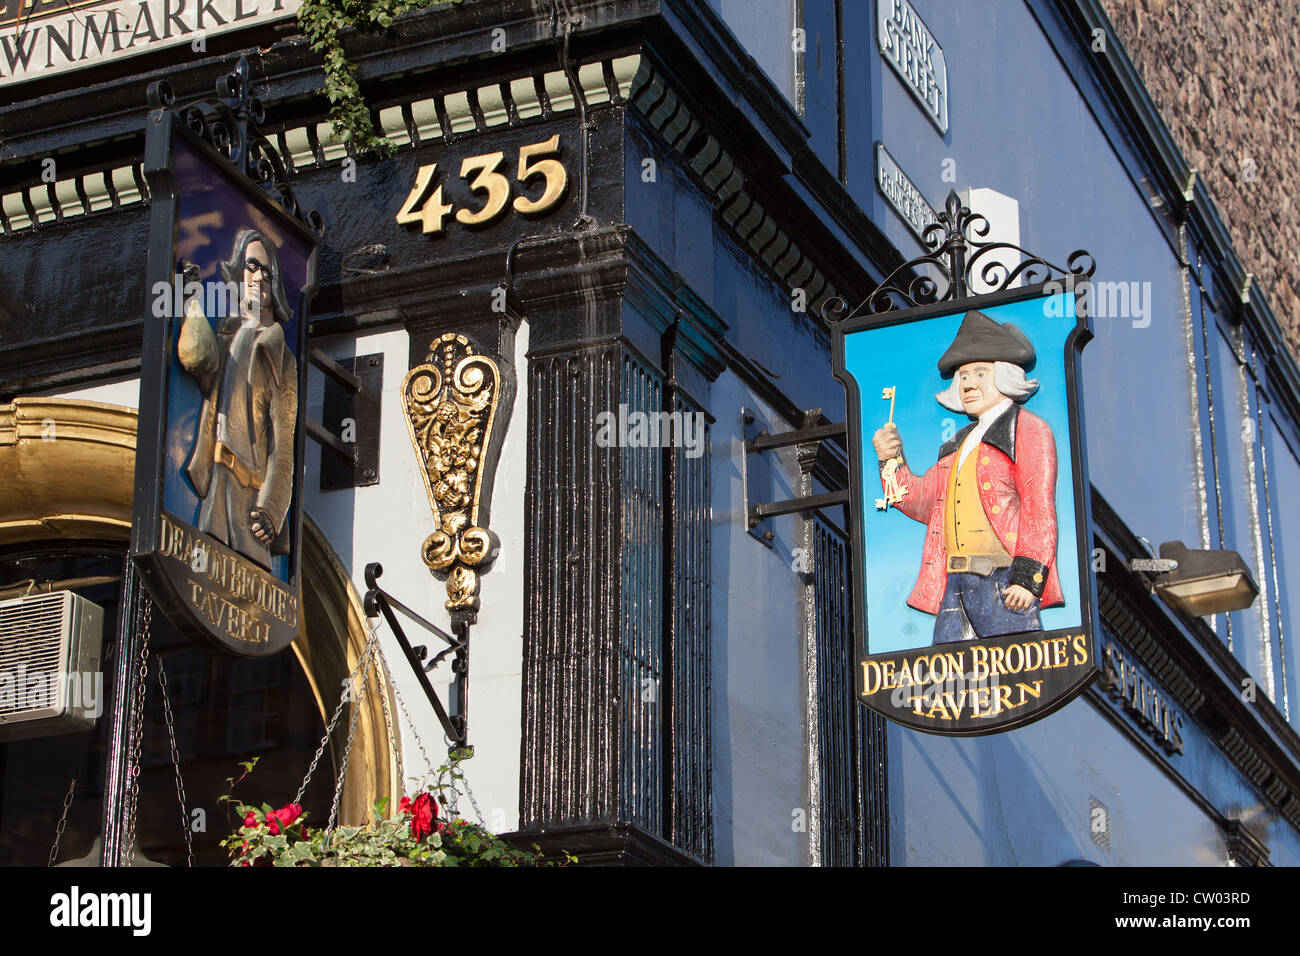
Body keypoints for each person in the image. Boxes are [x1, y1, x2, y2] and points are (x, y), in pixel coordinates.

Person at [872, 310, 1062, 644]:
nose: (968, 383)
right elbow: (919, 501)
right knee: (948, 687)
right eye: (962, 376)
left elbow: (1038, 508)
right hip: (953, 585)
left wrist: (1027, 578)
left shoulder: (1028, 429)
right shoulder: (957, 445)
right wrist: (891, 460)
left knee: (1015, 681)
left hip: (1003, 582)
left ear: (1005, 375)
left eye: (979, 373)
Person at [177, 230, 297, 571]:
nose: (259, 276)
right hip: (217, 483)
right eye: (252, 266)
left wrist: (272, 511)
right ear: (237, 273)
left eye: (267, 271)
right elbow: (197, 360)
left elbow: (283, 443)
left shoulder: (281, 357)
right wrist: (190, 301)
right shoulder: (226, 335)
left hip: (250, 501)